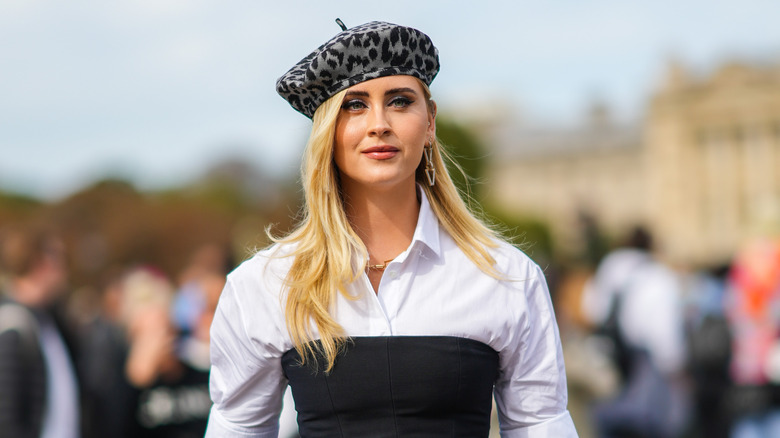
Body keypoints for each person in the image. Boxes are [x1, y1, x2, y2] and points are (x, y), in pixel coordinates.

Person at [206, 20, 577, 437]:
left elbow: (541, 423)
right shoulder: (265, 284)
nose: (379, 123)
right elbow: (238, 427)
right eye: (354, 105)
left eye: (400, 101)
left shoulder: (505, 275)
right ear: (327, 130)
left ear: (430, 121)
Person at [580, 227, 690, 438]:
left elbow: (590, 308)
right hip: (644, 367)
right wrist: (675, 369)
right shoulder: (657, 275)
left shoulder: (608, 267)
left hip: (609, 360)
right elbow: (665, 333)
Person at [0, 224, 80, 438]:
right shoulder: (11, 325)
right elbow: (6, 418)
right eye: (61, 259)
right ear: (40, 263)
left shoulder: (49, 319)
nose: (66, 271)